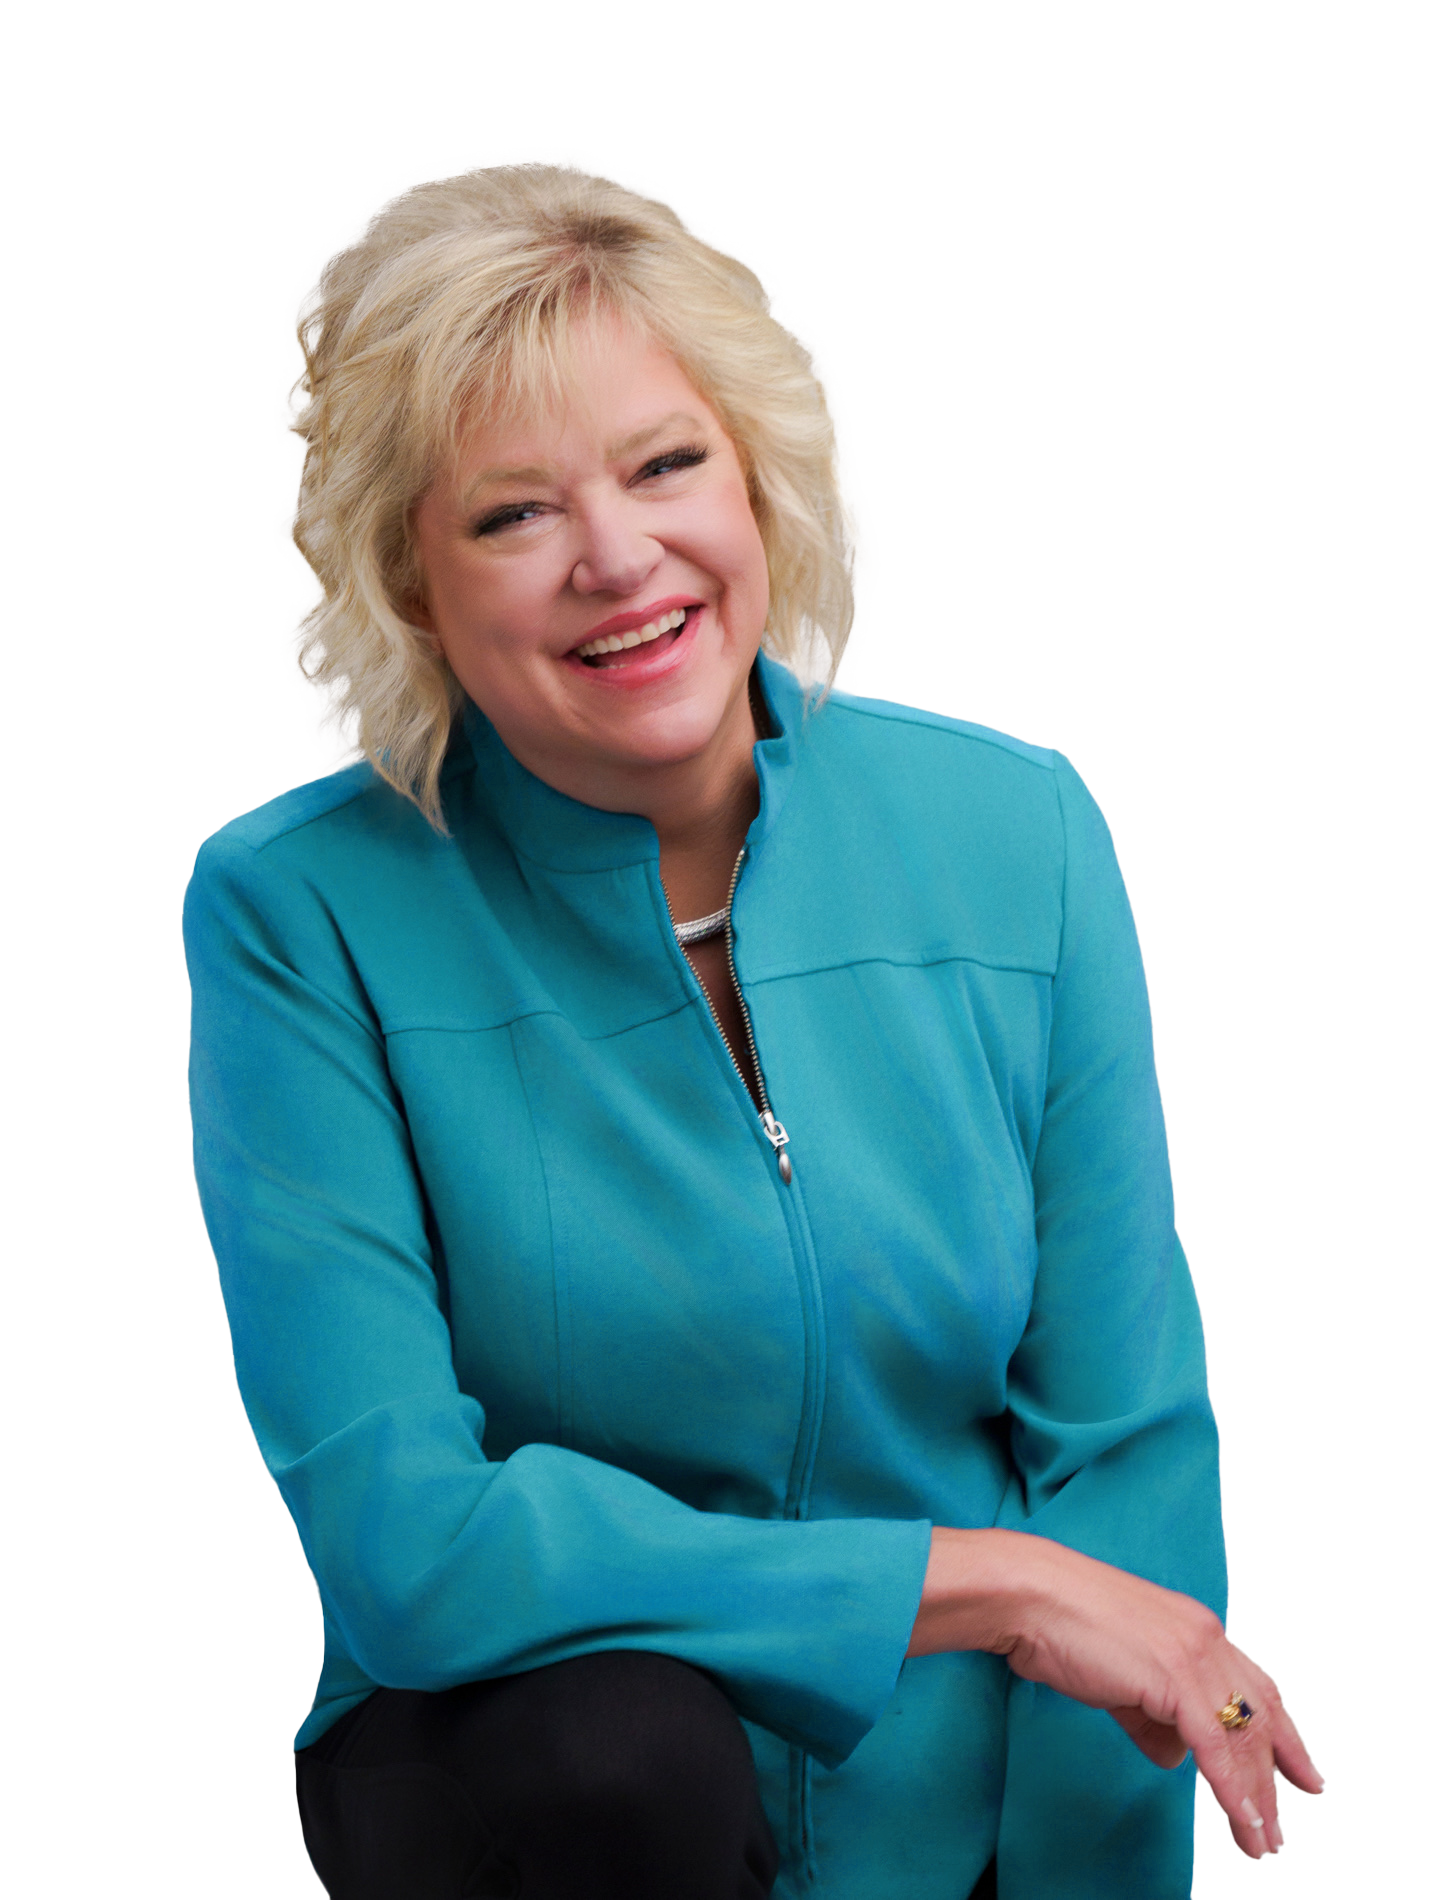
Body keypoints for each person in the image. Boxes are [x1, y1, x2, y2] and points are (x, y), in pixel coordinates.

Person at [185, 163, 1322, 1899]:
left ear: (756, 476)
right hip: (536, 1777)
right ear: (411, 586)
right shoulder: (296, 915)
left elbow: (1121, 1458)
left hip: (951, 1784)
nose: (617, 557)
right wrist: (993, 1584)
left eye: (663, 464)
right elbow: (409, 1545)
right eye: (510, 515)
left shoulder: (1017, 841)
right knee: (614, 1749)